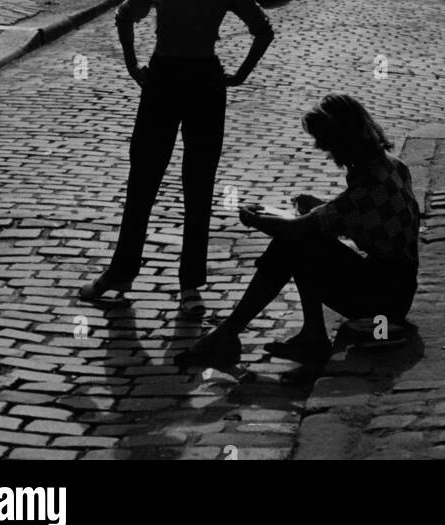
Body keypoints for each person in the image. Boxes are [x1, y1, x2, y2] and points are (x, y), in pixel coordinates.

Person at [79, 0, 275, 315]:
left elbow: (263, 30)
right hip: (164, 79)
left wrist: (238, 76)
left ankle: (190, 284)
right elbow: (125, 16)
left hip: (206, 82)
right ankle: (121, 271)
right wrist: (133, 66)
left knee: (199, 185)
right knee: (143, 180)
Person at [175, 94, 420, 371]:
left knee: (295, 240)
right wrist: (319, 208)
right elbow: (362, 217)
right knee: (304, 240)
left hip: (383, 304)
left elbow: (299, 227)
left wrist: (256, 219)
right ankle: (293, 334)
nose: (320, 148)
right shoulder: (391, 164)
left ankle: (231, 333)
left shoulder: (366, 188)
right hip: (397, 286)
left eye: (323, 141)